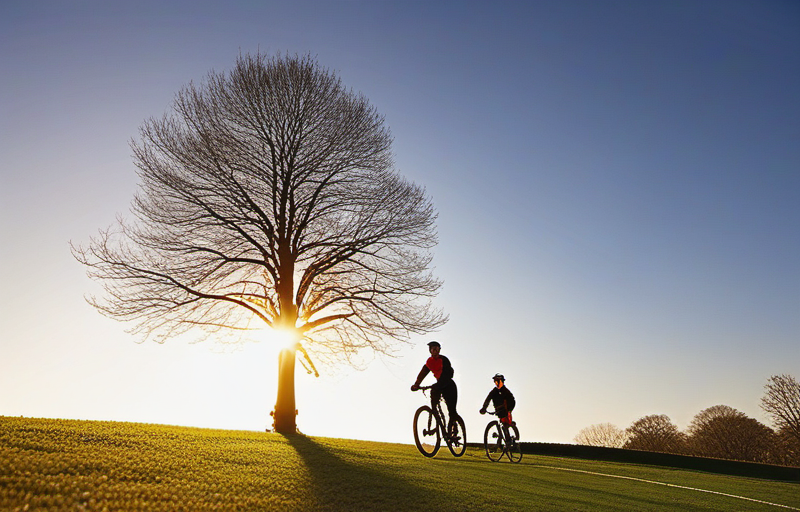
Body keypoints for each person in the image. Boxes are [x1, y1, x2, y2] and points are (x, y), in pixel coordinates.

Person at [410, 341, 460, 434]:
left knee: (451, 410)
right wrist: (416, 384)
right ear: (430, 351)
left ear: (439, 350)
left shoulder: (444, 360)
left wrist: (438, 385)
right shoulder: (430, 362)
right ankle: (436, 424)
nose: (435, 351)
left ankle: (454, 427)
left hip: (449, 386)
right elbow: (423, 373)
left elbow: (447, 375)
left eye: (437, 349)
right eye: (433, 349)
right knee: (433, 404)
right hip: (439, 385)